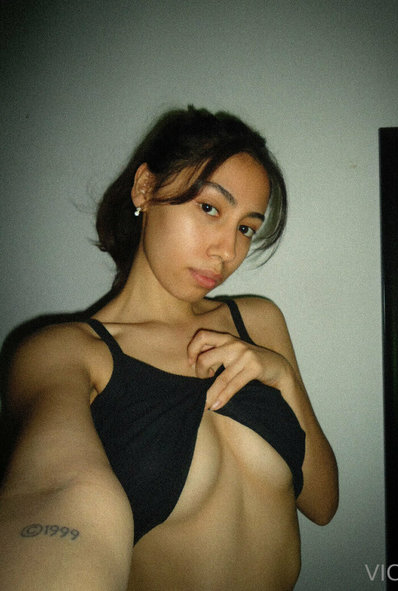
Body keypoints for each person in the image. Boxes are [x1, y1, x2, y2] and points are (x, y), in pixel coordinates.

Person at [0, 106, 338, 590]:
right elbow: (55, 490)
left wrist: (281, 374)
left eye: (245, 227)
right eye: (210, 208)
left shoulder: (259, 321)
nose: (227, 251)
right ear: (145, 188)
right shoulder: (64, 354)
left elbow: (322, 505)